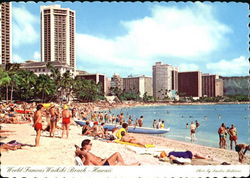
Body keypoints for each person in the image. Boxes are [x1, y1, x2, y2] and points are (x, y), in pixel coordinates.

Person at [75, 139, 140, 166]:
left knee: (118, 157)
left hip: (104, 163)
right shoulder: (87, 155)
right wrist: (105, 160)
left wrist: (79, 150)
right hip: (103, 165)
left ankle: (130, 165)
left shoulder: (85, 152)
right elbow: (99, 165)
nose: (91, 145)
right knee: (118, 156)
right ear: (86, 145)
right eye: (90, 144)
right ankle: (132, 165)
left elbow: (78, 150)